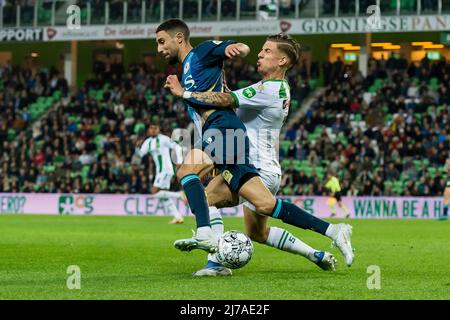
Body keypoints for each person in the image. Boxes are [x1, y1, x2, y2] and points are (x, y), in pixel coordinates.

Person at [163, 29, 355, 269]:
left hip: (258, 166)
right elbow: (230, 102)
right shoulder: (268, 88)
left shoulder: (271, 89)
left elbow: (224, 100)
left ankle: (216, 262)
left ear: (282, 60)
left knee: (226, 200)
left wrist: (185, 92)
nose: (260, 54)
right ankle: (316, 254)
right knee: (257, 233)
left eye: (267, 51)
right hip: (253, 162)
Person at [137, 122, 185, 224]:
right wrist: (137, 146)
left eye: (155, 128)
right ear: (148, 130)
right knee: (164, 196)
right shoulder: (148, 142)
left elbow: (177, 147)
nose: (153, 130)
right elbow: (141, 154)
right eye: (151, 128)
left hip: (165, 170)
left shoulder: (164, 139)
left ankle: (179, 195)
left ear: (158, 129)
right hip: (160, 171)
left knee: (154, 192)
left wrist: (180, 161)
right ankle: (178, 217)